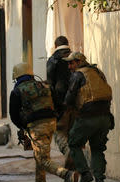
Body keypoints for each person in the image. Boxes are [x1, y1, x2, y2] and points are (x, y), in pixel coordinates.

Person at [9, 62, 80, 182]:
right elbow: (59, 104)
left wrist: (23, 126)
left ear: (17, 76)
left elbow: (14, 115)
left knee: (43, 159)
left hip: (36, 126)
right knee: (40, 154)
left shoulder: (17, 91)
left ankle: (67, 175)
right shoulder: (45, 86)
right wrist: (55, 118)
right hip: (51, 123)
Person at [63, 52, 113, 182]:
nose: (69, 66)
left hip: (87, 116)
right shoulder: (97, 72)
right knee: (97, 147)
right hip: (105, 117)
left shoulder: (78, 74)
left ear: (79, 62)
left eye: (71, 63)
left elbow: (69, 97)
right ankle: (99, 179)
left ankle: (85, 173)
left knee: (73, 143)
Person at [46, 36, 76, 169]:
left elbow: (50, 83)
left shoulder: (53, 60)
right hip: (75, 102)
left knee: (59, 132)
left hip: (60, 103)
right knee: (73, 132)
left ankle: (68, 152)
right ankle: (76, 164)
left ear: (55, 45)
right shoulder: (75, 58)